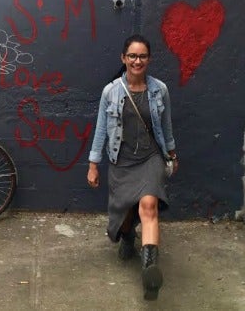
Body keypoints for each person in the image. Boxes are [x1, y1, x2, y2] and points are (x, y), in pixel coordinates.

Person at [87, 34, 178, 301]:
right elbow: (101, 130)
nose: (137, 61)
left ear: (149, 59)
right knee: (126, 214)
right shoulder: (111, 91)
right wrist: (93, 164)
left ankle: (150, 274)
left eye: (143, 56)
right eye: (132, 56)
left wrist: (172, 153)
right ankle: (127, 237)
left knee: (148, 206)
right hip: (122, 161)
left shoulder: (160, 90)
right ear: (124, 58)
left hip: (151, 158)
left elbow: (166, 126)